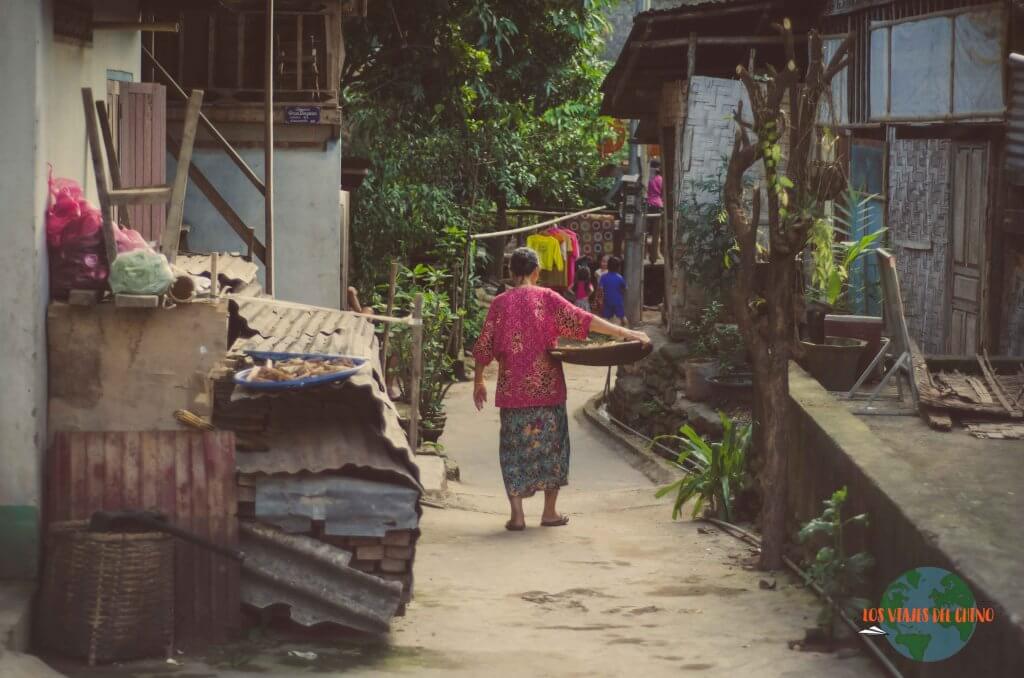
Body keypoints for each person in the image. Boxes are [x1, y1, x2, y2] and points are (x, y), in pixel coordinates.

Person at [473, 248, 650, 531]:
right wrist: (626, 333)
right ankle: (549, 512)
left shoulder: (499, 303)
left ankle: (517, 516)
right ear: (536, 272)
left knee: (513, 449)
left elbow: (484, 344)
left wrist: (478, 380)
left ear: (511, 272)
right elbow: (584, 320)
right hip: (548, 389)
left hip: (512, 391)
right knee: (552, 449)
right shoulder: (547, 298)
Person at [599, 256, 627, 326]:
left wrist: (600, 299)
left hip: (607, 301)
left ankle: (606, 333)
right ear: (618, 267)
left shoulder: (603, 277)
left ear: (608, 266)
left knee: (605, 319)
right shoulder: (620, 277)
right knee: (622, 317)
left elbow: (600, 289)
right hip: (618, 301)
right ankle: (626, 332)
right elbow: (625, 288)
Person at [646, 159, 664, 264]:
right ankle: (654, 255)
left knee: (647, 232)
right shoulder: (660, 179)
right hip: (658, 204)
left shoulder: (648, 179)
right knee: (656, 233)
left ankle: (647, 254)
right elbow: (662, 192)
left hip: (649, 204)